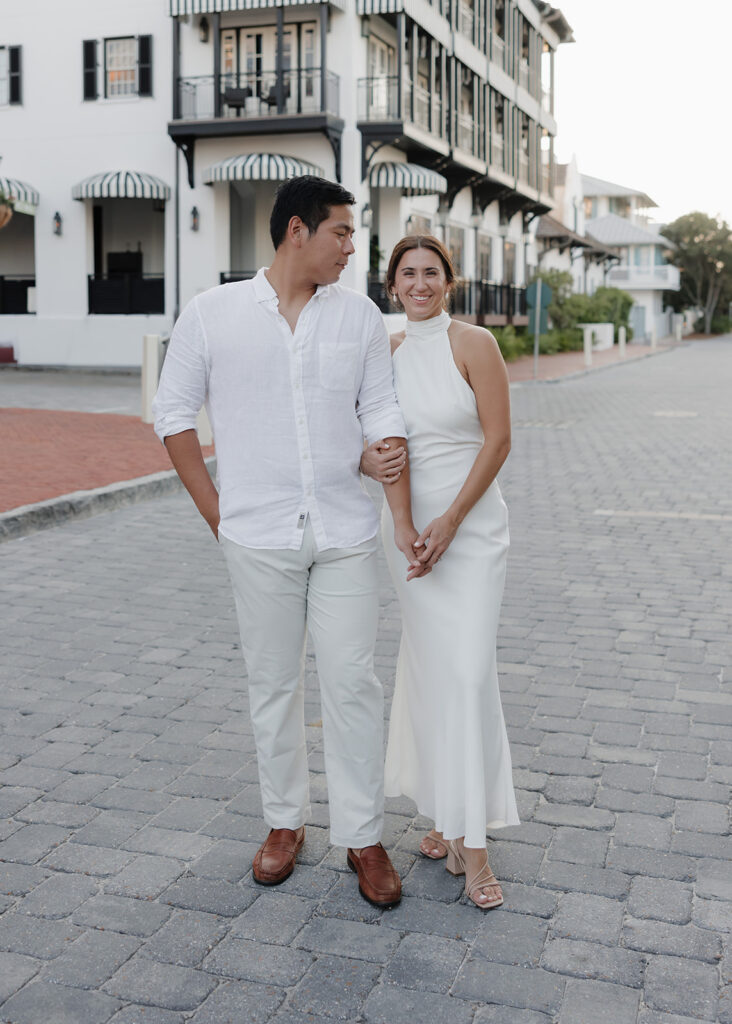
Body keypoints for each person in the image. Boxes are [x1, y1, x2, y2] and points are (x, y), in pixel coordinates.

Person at [153, 176, 428, 909]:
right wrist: (217, 513)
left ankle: (363, 836)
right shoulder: (212, 315)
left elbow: (382, 411)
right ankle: (284, 824)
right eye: (343, 232)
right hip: (258, 535)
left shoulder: (361, 318)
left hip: (343, 528)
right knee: (273, 685)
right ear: (297, 231)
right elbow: (173, 414)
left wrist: (383, 457)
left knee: (352, 684)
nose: (352, 247)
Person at [361, 235, 519, 909]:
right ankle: (440, 813)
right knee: (429, 671)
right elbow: (378, 443)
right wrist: (403, 521)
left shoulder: (474, 343)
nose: (419, 283)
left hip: (472, 529)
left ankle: (474, 845)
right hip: (409, 537)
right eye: (407, 273)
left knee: (465, 673)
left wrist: (452, 521)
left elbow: (499, 438)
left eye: (431, 273)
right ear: (392, 286)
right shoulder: (387, 355)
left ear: (448, 283)